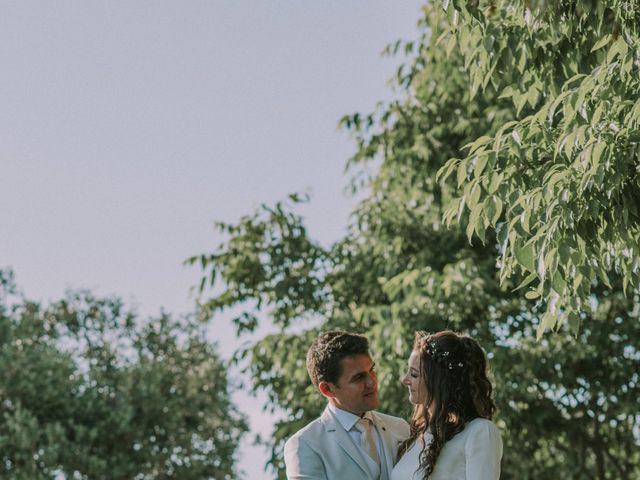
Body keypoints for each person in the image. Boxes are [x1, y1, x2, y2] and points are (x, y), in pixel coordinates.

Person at [284, 330, 410, 480]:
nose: (372, 382)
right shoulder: (305, 445)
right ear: (327, 389)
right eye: (358, 377)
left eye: (372, 370)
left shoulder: (401, 428)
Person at [390, 330, 502, 480]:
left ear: (438, 381)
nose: (405, 380)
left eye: (414, 374)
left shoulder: (479, 432)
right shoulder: (417, 436)